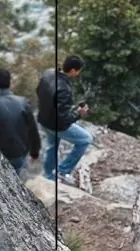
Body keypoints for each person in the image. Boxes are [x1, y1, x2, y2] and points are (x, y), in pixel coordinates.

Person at [36, 55, 93, 185]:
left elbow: (39, 91)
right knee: (85, 140)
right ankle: (63, 171)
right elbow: (62, 120)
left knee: (52, 146)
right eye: (78, 70)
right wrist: (79, 113)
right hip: (55, 124)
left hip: (43, 119)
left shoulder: (48, 73)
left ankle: (49, 176)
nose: (78, 73)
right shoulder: (64, 89)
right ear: (73, 70)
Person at [0, 68, 41, 175]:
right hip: (19, 156)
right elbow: (33, 130)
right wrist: (34, 152)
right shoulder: (23, 103)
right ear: (10, 83)